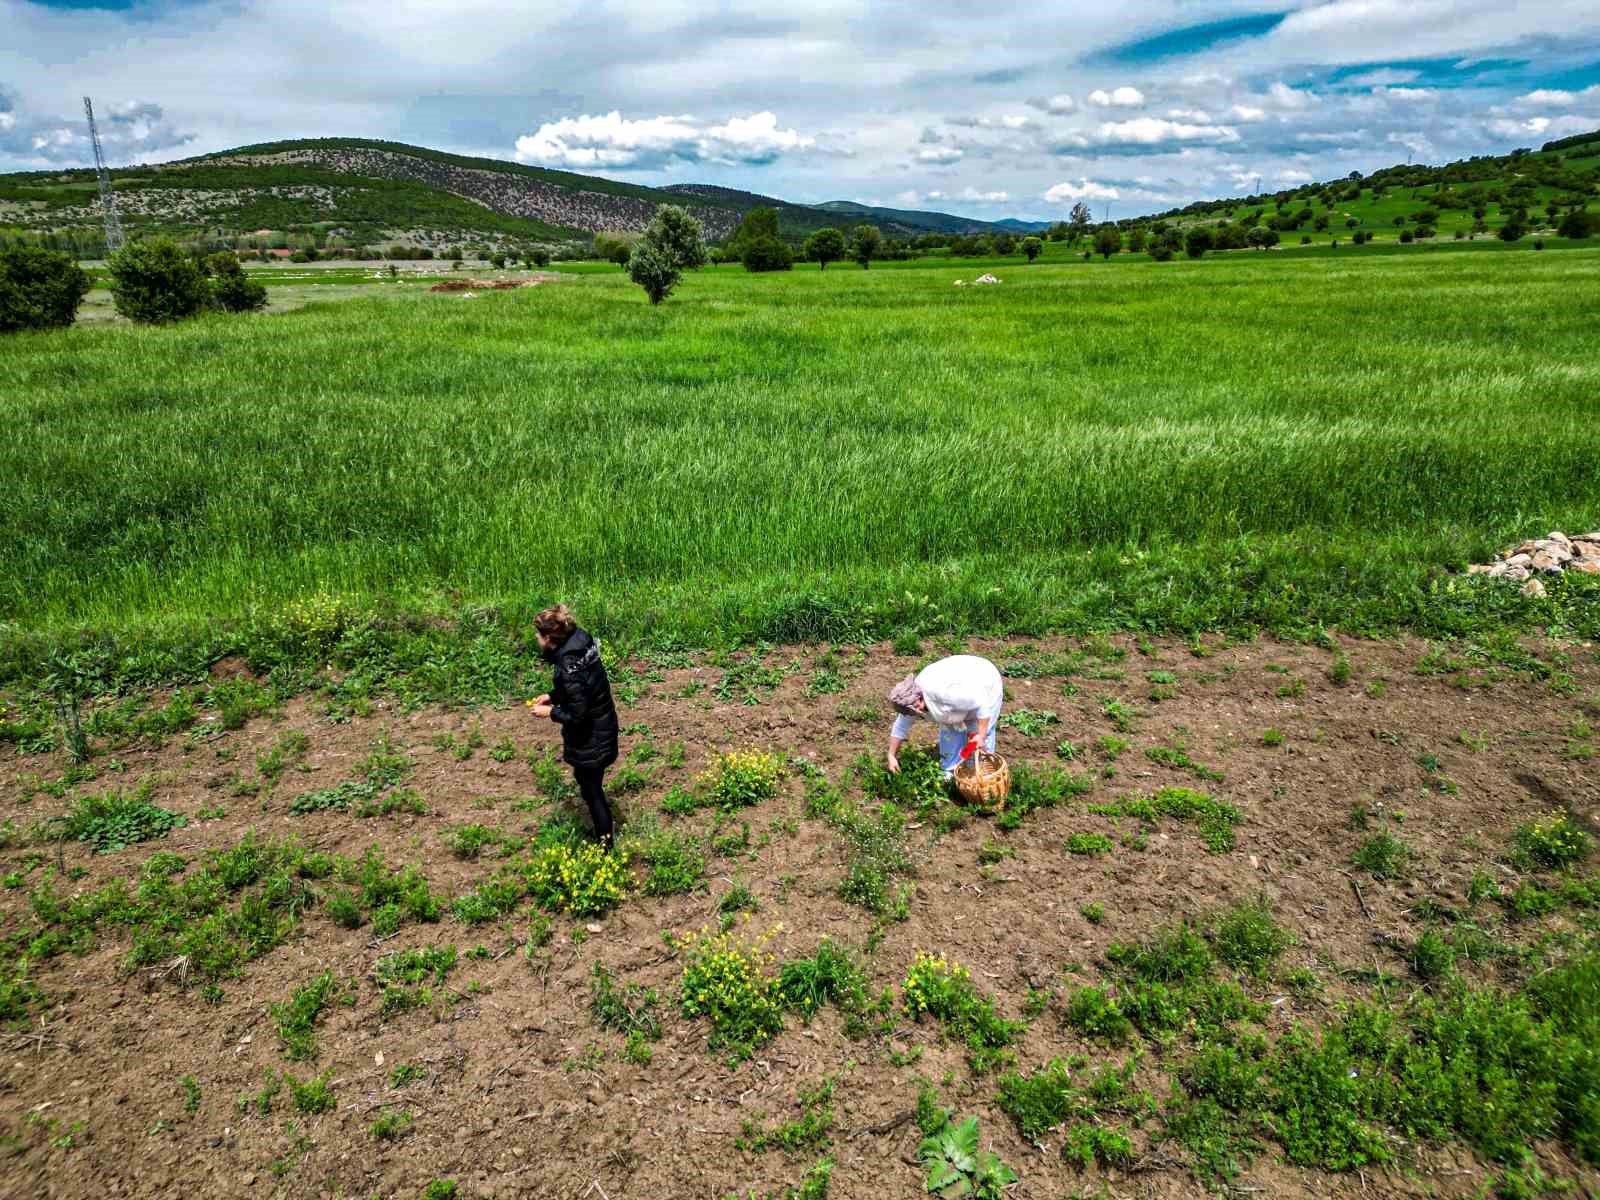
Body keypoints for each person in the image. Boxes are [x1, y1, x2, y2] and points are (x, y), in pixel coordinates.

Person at [527, 605, 620, 845]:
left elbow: (579, 715)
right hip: (603, 724)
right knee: (588, 780)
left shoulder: (568, 666)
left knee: (592, 791)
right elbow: (581, 689)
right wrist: (554, 695)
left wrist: (551, 711)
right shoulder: (579, 644)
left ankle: (605, 847)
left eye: (538, 636)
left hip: (592, 736)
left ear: (549, 638)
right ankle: (604, 835)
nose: (536, 640)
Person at [886, 654, 1004, 779]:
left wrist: (981, 734)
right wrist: (891, 755)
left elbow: (982, 704)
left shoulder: (944, 693)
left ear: (919, 698)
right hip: (960, 693)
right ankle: (951, 772)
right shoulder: (908, 697)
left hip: (984, 682)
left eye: (916, 708)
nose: (917, 712)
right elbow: (901, 726)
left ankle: (983, 774)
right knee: (950, 730)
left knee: (978, 739)